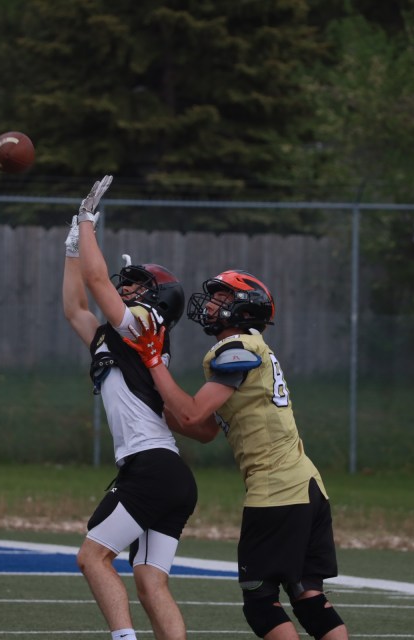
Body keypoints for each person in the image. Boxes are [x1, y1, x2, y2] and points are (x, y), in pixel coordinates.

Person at [124, 270, 349, 640]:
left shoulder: (236, 347)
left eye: (222, 299)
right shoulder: (252, 348)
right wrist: (152, 405)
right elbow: (204, 430)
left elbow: (192, 414)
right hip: (307, 487)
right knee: (308, 597)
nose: (211, 305)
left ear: (245, 310)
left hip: (276, 489)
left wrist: (152, 362)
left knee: (261, 602)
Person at [62, 175, 197, 640]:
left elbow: (97, 281)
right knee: (150, 583)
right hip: (167, 471)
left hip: (151, 467)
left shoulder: (144, 323)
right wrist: (73, 246)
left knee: (92, 557)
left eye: (137, 286)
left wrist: (87, 221)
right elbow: (76, 308)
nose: (127, 290)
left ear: (157, 300)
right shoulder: (119, 337)